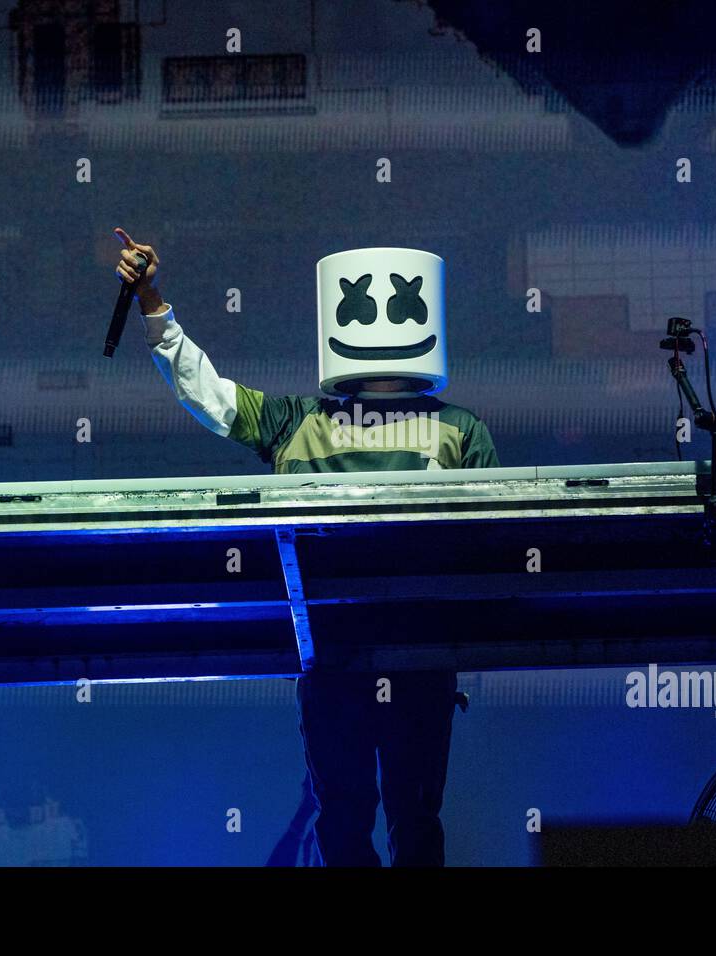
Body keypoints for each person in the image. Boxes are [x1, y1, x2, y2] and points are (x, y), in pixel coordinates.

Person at [112, 228, 499, 866]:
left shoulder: (421, 427)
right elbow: (209, 394)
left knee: (374, 822)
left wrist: (154, 301)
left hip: (377, 665)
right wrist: (153, 301)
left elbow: (210, 396)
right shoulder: (444, 430)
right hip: (364, 664)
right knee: (385, 823)